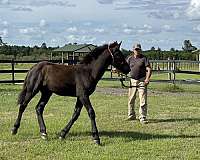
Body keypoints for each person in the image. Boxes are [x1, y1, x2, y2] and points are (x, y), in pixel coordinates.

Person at [126, 43, 152, 124]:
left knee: (143, 99)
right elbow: (125, 68)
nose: (137, 51)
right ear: (133, 50)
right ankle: (131, 115)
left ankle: (142, 117)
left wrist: (147, 79)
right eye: (136, 49)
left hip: (142, 81)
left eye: (138, 49)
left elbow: (149, 69)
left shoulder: (144, 58)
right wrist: (117, 70)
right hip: (132, 80)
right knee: (131, 99)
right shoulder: (130, 59)